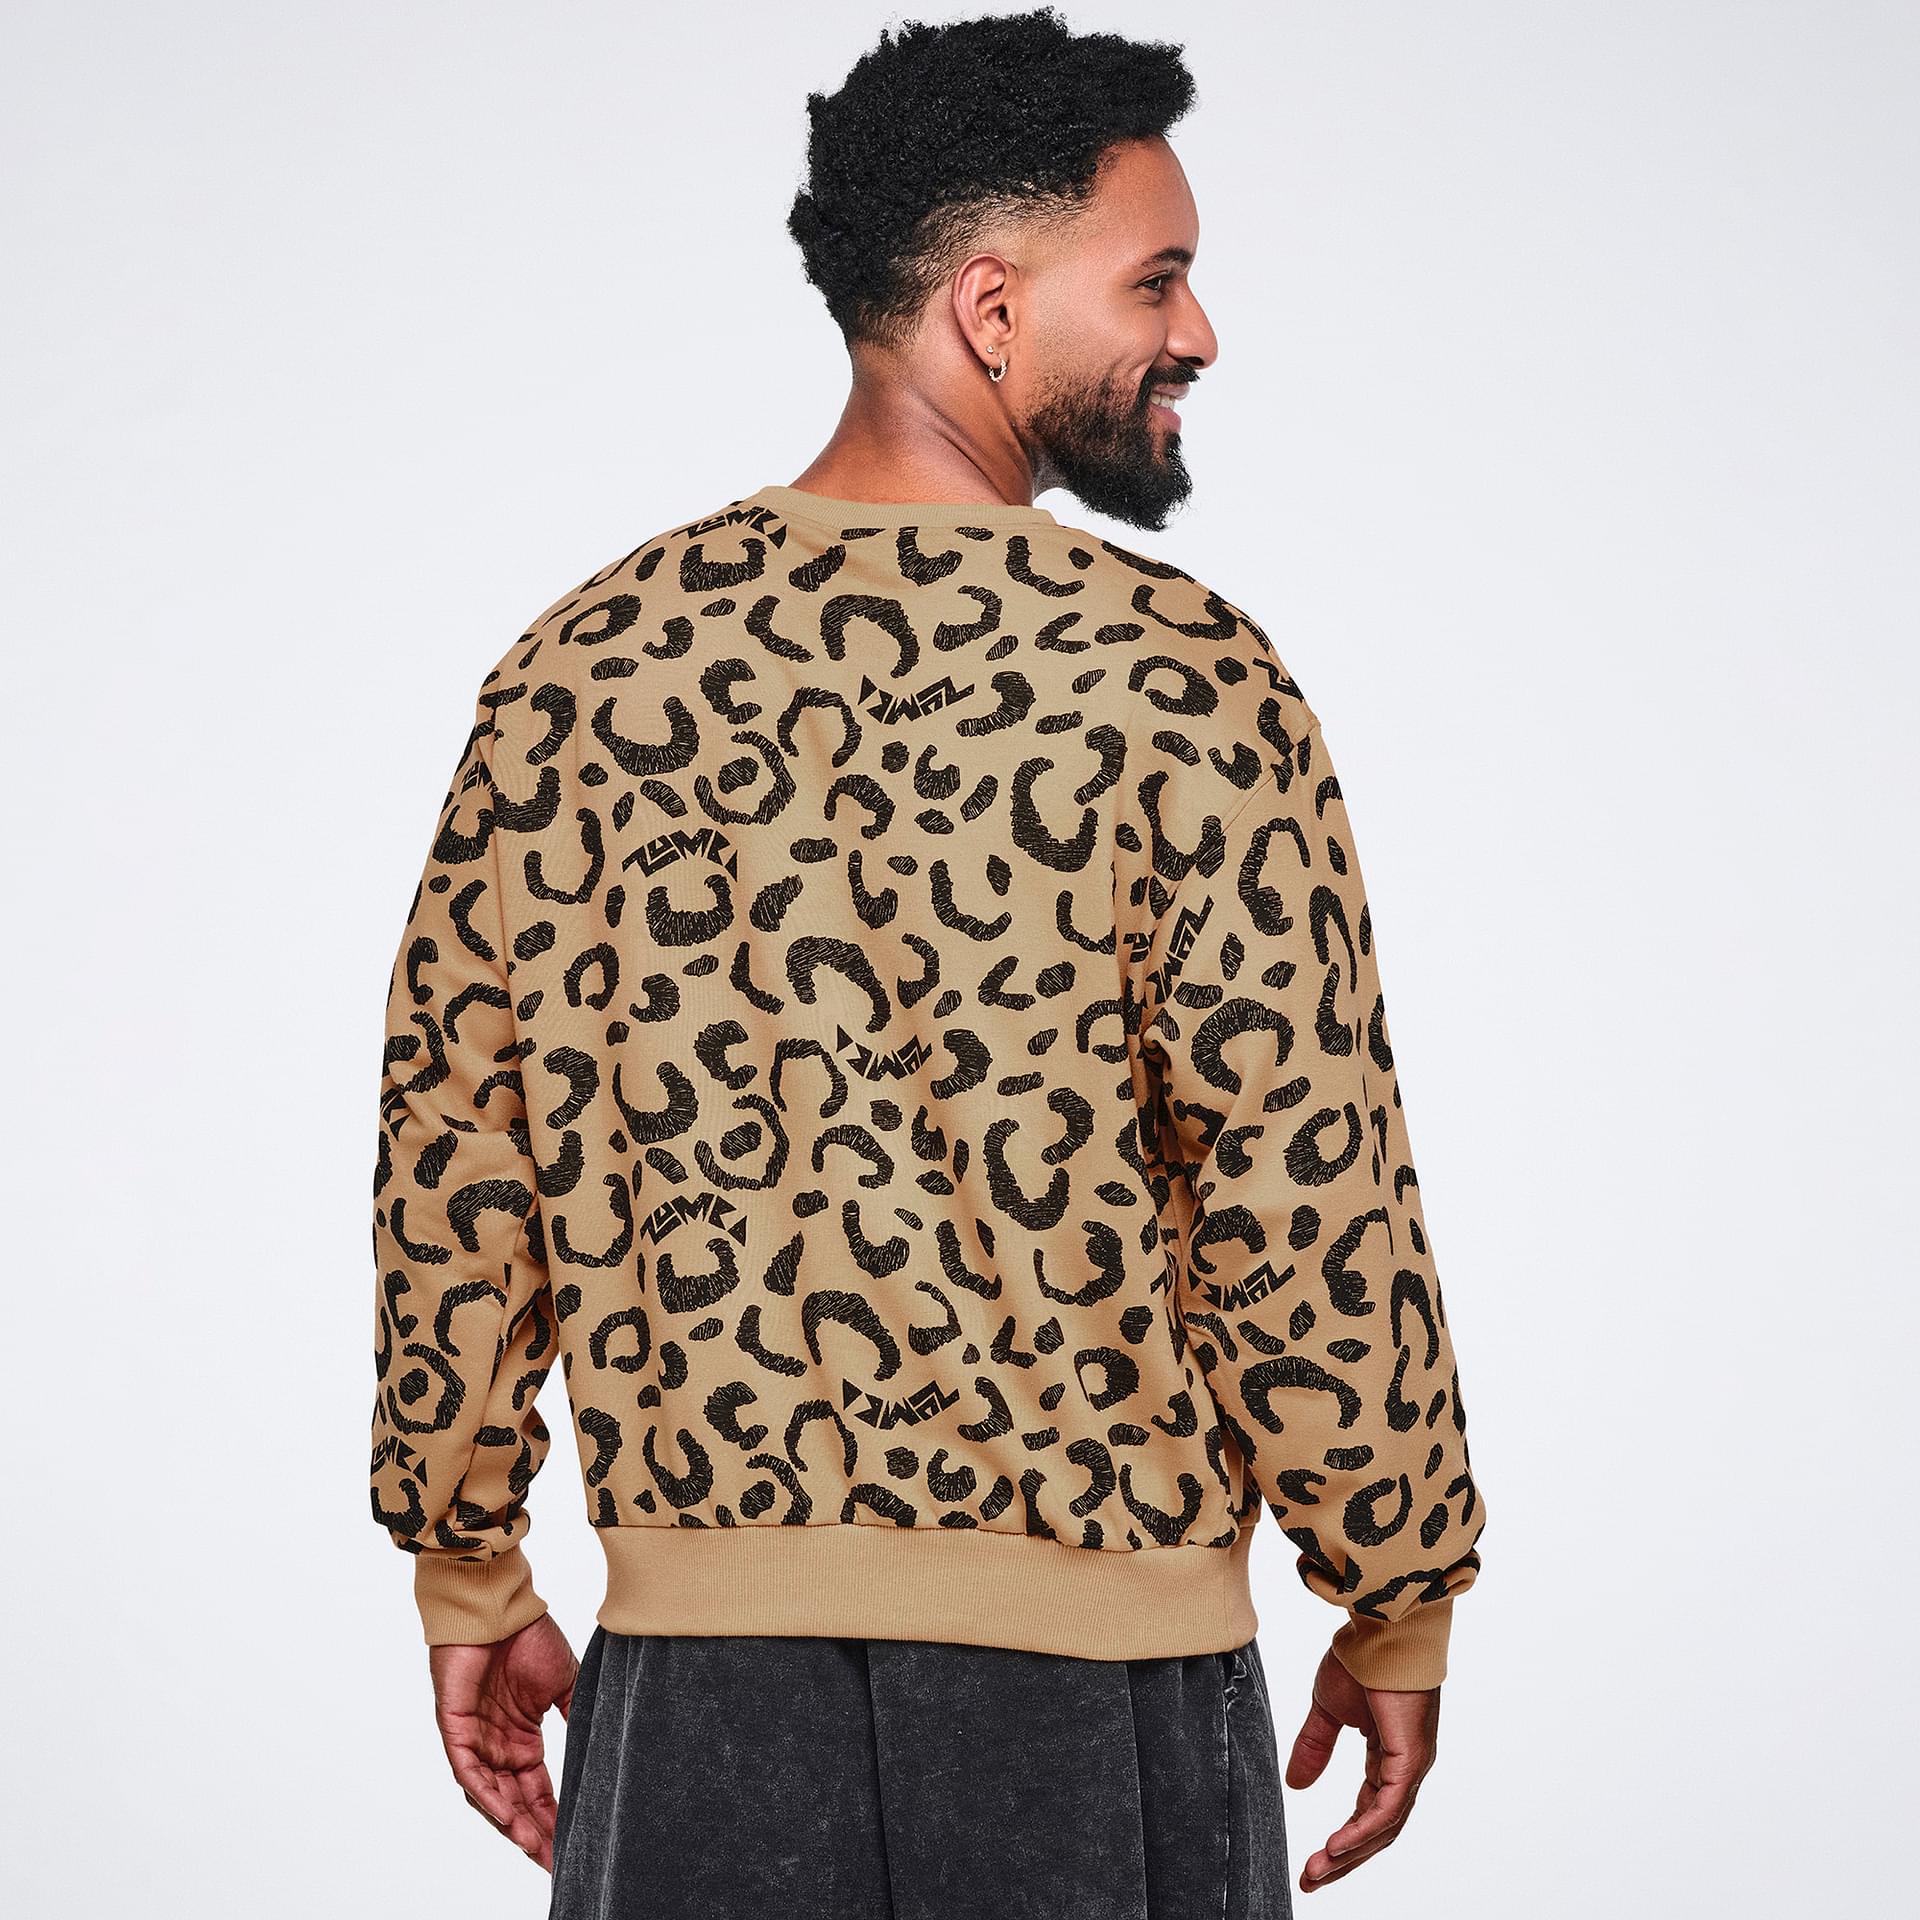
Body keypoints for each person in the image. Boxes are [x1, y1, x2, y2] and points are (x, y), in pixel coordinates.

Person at [367, 10, 1490, 1914]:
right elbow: (1303, 1172)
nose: (1201, 333)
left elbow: (455, 1147)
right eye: (1158, 278)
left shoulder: (585, 671)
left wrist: (468, 1568)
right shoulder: (1179, 680)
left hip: (696, 1699)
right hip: (1098, 1691)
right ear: (990, 304)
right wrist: (1395, 1586)